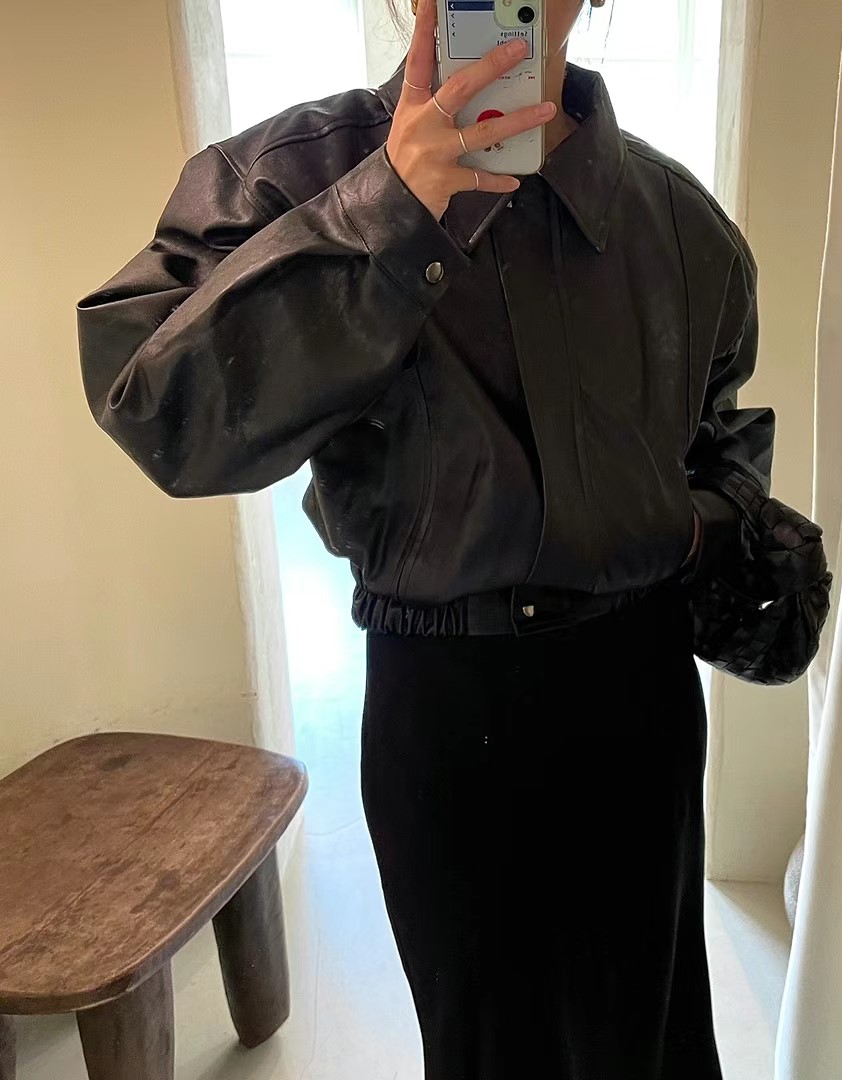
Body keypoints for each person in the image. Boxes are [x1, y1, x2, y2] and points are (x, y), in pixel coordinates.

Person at [76, 0, 775, 1075]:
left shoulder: (681, 222)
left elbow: (725, 447)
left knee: (648, 1035)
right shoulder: (285, 182)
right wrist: (388, 213)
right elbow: (160, 412)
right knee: (484, 1047)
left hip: (635, 691)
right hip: (445, 700)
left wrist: (686, 533)